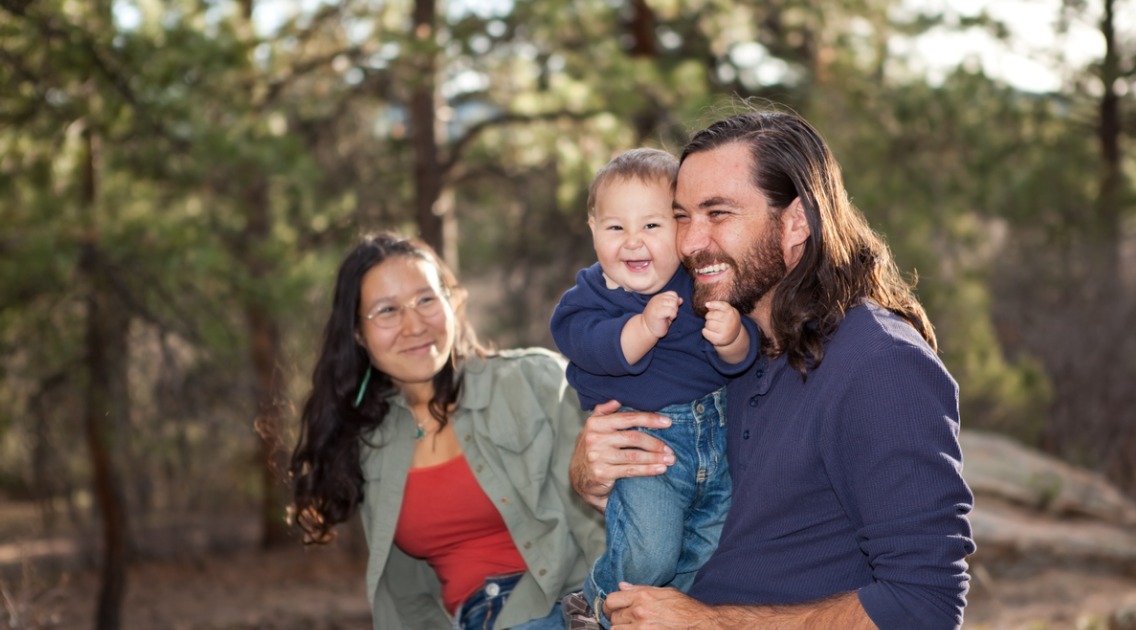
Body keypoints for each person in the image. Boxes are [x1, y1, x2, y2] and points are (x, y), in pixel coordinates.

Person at [569, 109, 976, 629]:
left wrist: (709, 625)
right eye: (682, 216)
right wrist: (595, 476)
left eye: (718, 214)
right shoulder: (719, 344)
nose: (690, 242)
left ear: (796, 223)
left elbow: (926, 605)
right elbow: (713, 517)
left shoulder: (881, 366)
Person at [289, 232, 605, 630]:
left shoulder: (536, 381)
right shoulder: (371, 445)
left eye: (425, 299)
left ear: (452, 301)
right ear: (357, 335)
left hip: (568, 609)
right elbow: (408, 598)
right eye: (387, 311)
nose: (413, 325)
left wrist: (617, 610)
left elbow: (607, 518)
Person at [549, 148, 759, 627]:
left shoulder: (699, 287)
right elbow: (597, 348)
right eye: (616, 227)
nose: (632, 243)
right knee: (652, 553)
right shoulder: (588, 299)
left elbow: (738, 361)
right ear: (593, 229)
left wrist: (732, 338)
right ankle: (599, 601)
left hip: (716, 443)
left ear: (681, 232)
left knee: (708, 550)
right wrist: (643, 326)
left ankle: (650, 617)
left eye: (652, 226)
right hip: (650, 452)